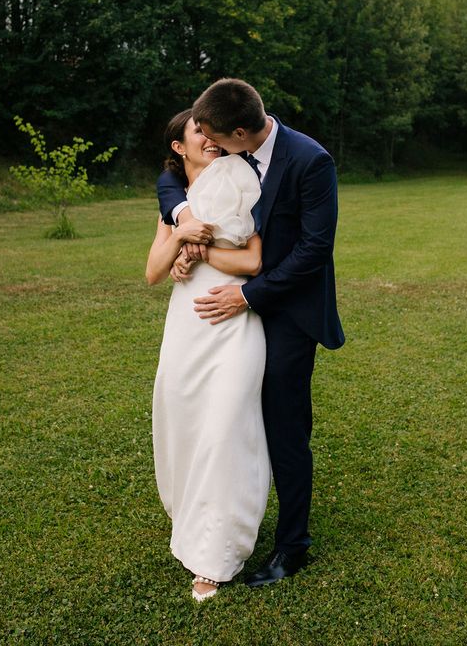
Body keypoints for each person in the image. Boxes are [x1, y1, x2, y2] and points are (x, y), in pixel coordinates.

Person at [157, 79, 345, 588]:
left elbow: (314, 250)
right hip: (220, 317)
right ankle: (214, 514)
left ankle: (293, 545)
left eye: (216, 137)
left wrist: (248, 295)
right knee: (219, 419)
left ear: (241, 131)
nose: (209, 145)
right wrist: (184, 225)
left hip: (284, 312)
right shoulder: (225, 157)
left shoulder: (310, 161)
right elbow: (172, 179)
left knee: (284, 427)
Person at [146, 109, 270, 602]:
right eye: (198, 130)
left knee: (225, 429)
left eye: (212, 128)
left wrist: (204, 251)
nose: (210, 136)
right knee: (185, 423)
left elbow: (255, 261)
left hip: (236, 322)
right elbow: (153, 272)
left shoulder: (246, 186)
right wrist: (180, 237)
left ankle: (216, 557)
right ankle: (192, 517)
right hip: (187, 326)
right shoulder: (174, 201)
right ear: (179, 146)